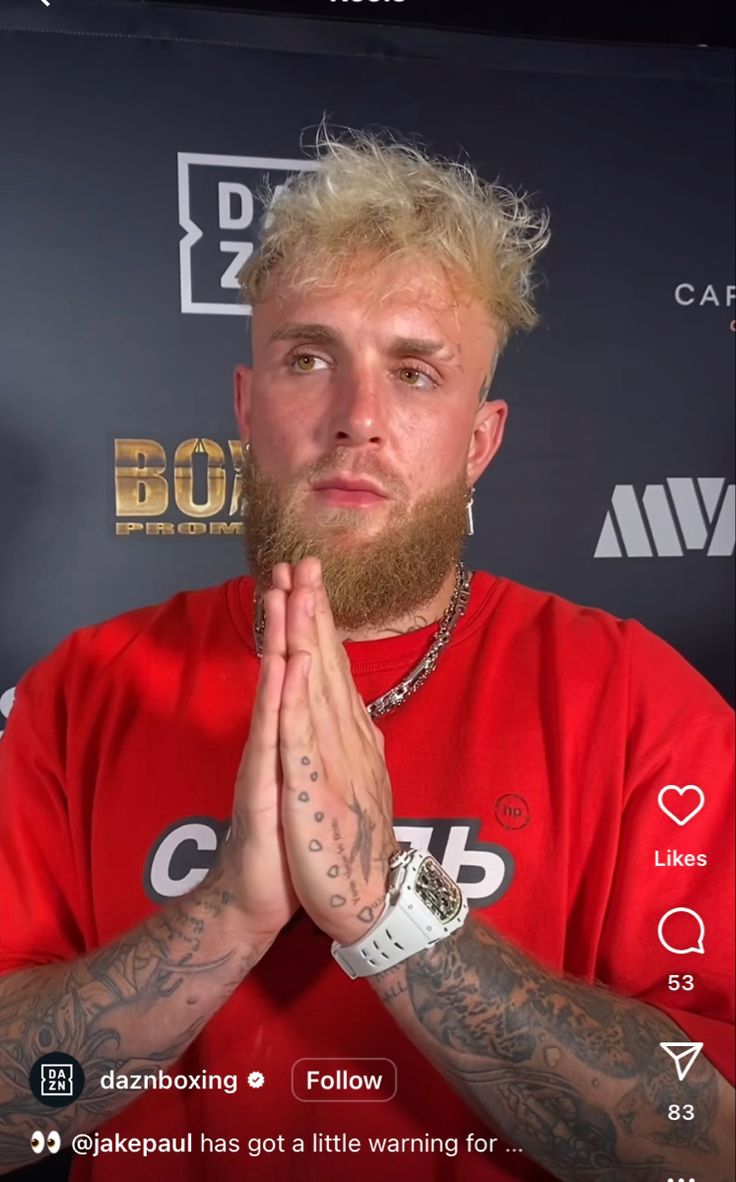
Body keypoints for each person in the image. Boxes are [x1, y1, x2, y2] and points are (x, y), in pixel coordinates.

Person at [0, 125, 733, 1182]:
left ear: (478, 440)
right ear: (248, 409)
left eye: (416, 372)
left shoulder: (636, 700)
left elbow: (706, 1143)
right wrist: (229, 914)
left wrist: (394, 912)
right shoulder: (86, 689)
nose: (358, 419)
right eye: (309, 358)